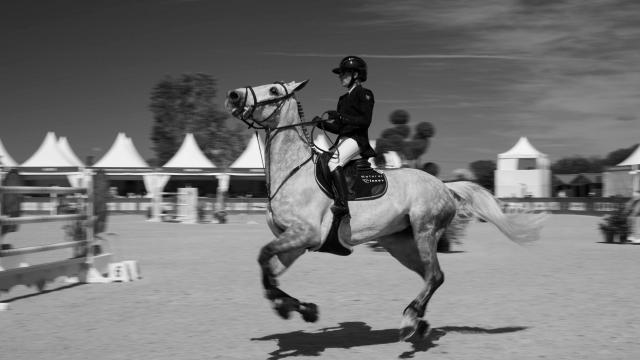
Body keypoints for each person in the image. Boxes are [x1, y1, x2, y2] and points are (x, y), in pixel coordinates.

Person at [315, 56, 376, 218]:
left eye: (344, 74)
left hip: (357, 140)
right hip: (344, 139)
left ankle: (342, 204)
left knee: (334, 162)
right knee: (320, 161)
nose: (340, 77)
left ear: (355, 75)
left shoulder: (365, 94)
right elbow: (340, 128)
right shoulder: (342, 99)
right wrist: (322, 125)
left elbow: (365, 121)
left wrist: (341, 117)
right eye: (340, 74)